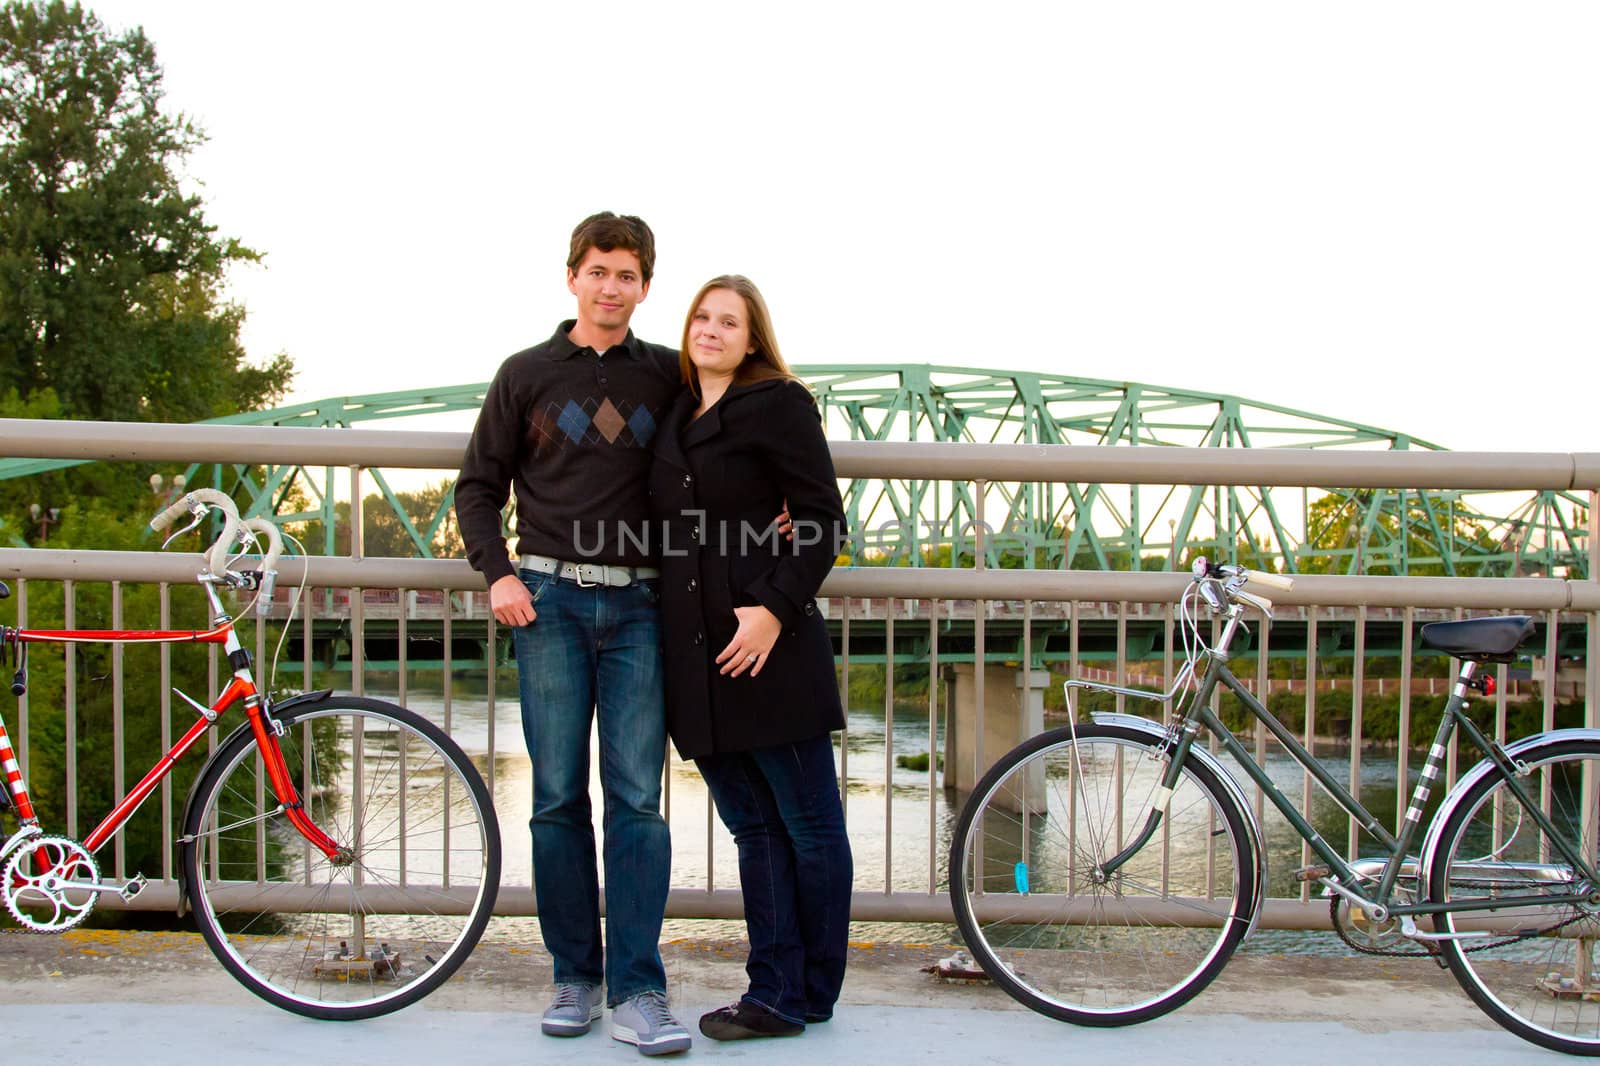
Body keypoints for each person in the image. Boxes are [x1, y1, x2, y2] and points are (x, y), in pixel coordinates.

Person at [454, 212, 692, 1056]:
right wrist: (500, 574)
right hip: (548, 600)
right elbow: (476, 488)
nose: (611, 286)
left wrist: (780, 502)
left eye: (627, 274)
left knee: (637, 800)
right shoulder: (525, 374)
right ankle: (574, 977)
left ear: (644, 287)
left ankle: (638, 989)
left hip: (642, 609)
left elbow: (731, 443)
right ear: (572, 278)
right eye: (598, 270)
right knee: (557, 798)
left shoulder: (669, 375)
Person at [648, 275, 854, 1041]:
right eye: (701, 316)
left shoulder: (779, 402)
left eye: (728, 321)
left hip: (768, 649)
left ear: (752, 335)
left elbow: (823, 520)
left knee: (809, 827)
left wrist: (772, 608)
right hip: (696, 659)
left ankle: (808, 990)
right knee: (755, 830)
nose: (711, 329)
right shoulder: (673, 412)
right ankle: (775, 989)